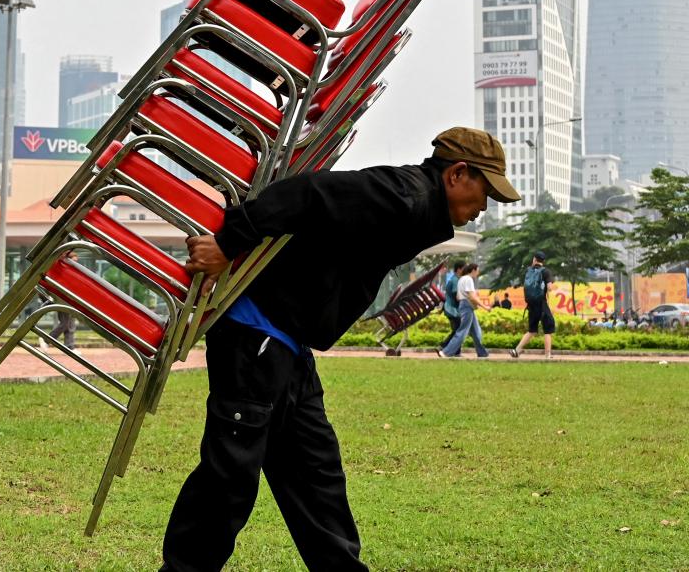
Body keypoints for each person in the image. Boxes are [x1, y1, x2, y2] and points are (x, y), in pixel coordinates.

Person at [161, 126, 518, 571]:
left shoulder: (417, 206)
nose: (483, 208)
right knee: (230, 476)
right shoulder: (402, 196)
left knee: (316, 474)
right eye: (485, 193)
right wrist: (229, 244)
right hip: (256, 332)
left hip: (289, 342)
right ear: (458, 174)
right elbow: (309, 193)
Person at [509, 252, 555, 359]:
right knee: (548, 328)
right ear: (543, 261)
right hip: (542, 303)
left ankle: (516, 350)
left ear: (534, 259)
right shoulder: (546, 272)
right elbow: (549, 288)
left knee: (532, 330)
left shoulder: (528, 271)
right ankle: (548, 355)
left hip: (531, 304)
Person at [440, 263, 489, 358]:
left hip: (464, 305)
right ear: (473, 270)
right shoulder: (468, 279)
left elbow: (458, 297)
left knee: (476, 331)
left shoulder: (461, 279)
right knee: (463, 331)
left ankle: (482, 352)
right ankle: (446, 352)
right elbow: (472, 296)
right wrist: (484, 306)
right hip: (467, 305)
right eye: (477, 270)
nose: (478, 273)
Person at [439, 263, 462, 352]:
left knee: (457, 330)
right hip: (452, 310)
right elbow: (456, 295)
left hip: (450, 309)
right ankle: (443, 346)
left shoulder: (453, 279)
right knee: (458, 330)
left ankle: (456, 351)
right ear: (459, 269)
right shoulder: (455, 280)